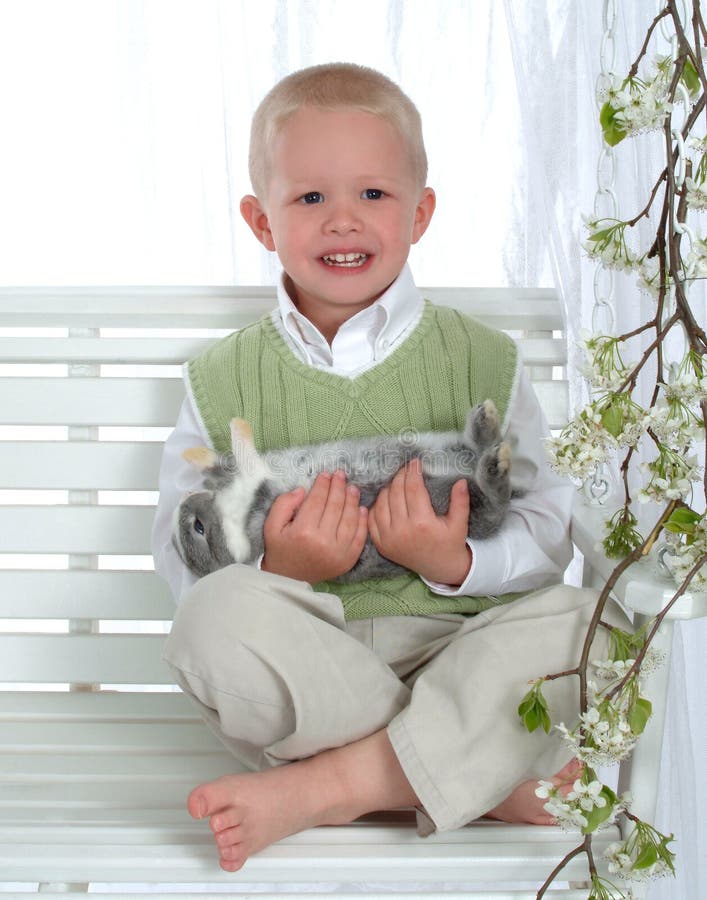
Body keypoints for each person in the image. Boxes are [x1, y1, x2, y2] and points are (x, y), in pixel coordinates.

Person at [152, 61, 626, 874]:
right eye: (309, 199)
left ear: (420, 211)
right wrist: (282, 570)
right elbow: (180, 553)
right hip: (316, 670)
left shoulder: (481, 360)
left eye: (372, 195)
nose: (343, 221)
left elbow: (548, 527)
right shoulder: (219, 379)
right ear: (262, 222)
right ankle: (465, 769)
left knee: (593, 621)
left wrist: (456, 561)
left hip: (462, 648)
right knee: (210, 623)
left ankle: (334, 786)